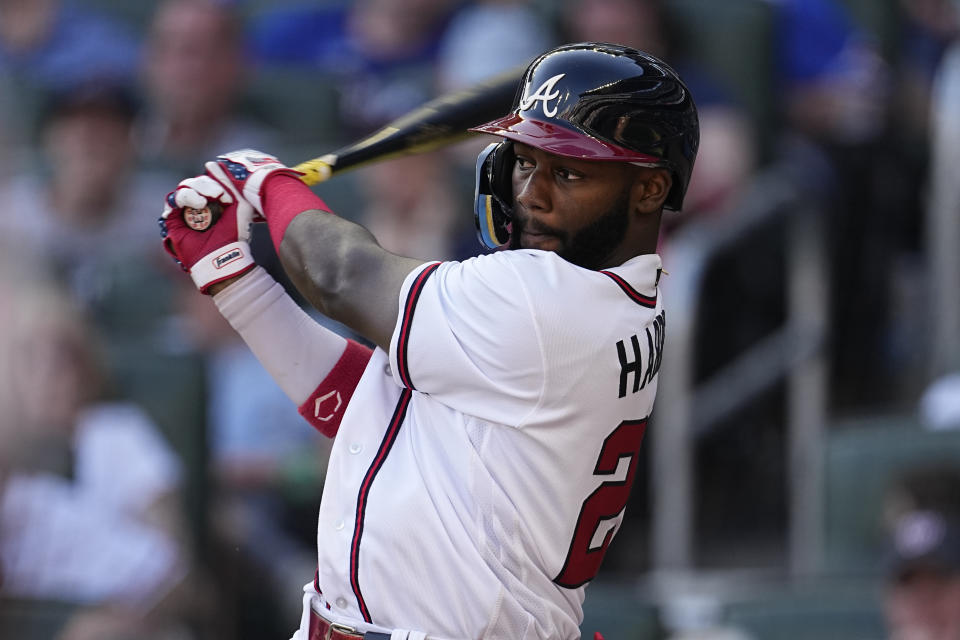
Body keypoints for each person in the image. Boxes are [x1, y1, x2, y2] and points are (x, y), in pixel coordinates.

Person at [158, 42, 699, 639]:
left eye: (568, 172)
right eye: (524, 163)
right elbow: (365, 408)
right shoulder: (597, 304)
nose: (531, 195)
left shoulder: (550, 301)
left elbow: (340, 275)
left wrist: (266, 182)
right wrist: (235, 283)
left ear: (649, 190)